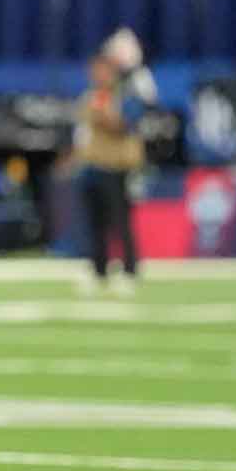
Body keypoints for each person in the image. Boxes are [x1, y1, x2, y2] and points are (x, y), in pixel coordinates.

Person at [75, 54, 145, 296]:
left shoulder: (125, 97)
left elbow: (125, 127)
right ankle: (99, 270)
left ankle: (129, 270)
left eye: (102, 71)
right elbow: (82, 132)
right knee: (94, 223)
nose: (97, 76)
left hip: (116, 167)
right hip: (92, 166)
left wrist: (104, 116)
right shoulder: (89, 97)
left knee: (121, 222)